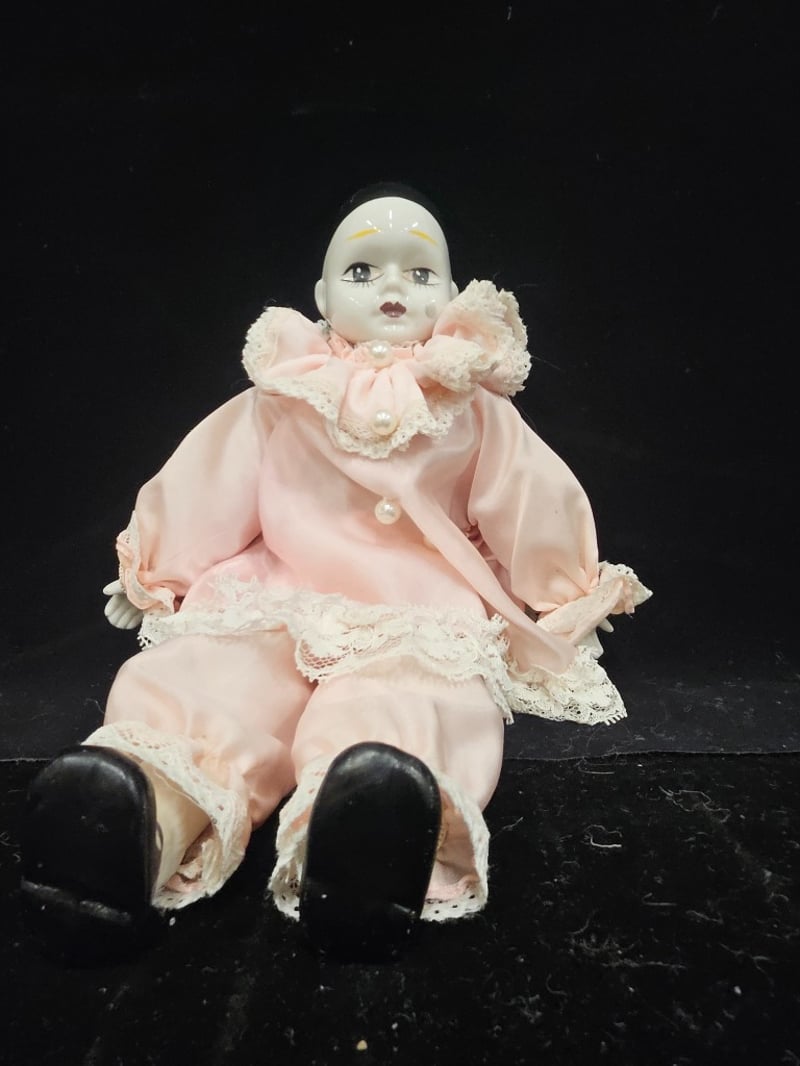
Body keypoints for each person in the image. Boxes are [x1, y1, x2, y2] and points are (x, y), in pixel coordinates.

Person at [21, 183, 651, 962]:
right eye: (362, 270)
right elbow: (215, 476)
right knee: (217, 676)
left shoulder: (467, 401)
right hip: (278, 589)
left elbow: (528, 496)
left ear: (452, 293)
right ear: (321, 297)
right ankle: (137, 810)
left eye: (419, 273)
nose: (392, 286)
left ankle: (369, 833)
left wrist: (564, 591)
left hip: (414, 604)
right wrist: (161, 561)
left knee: (404, 698)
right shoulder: (288, 390)